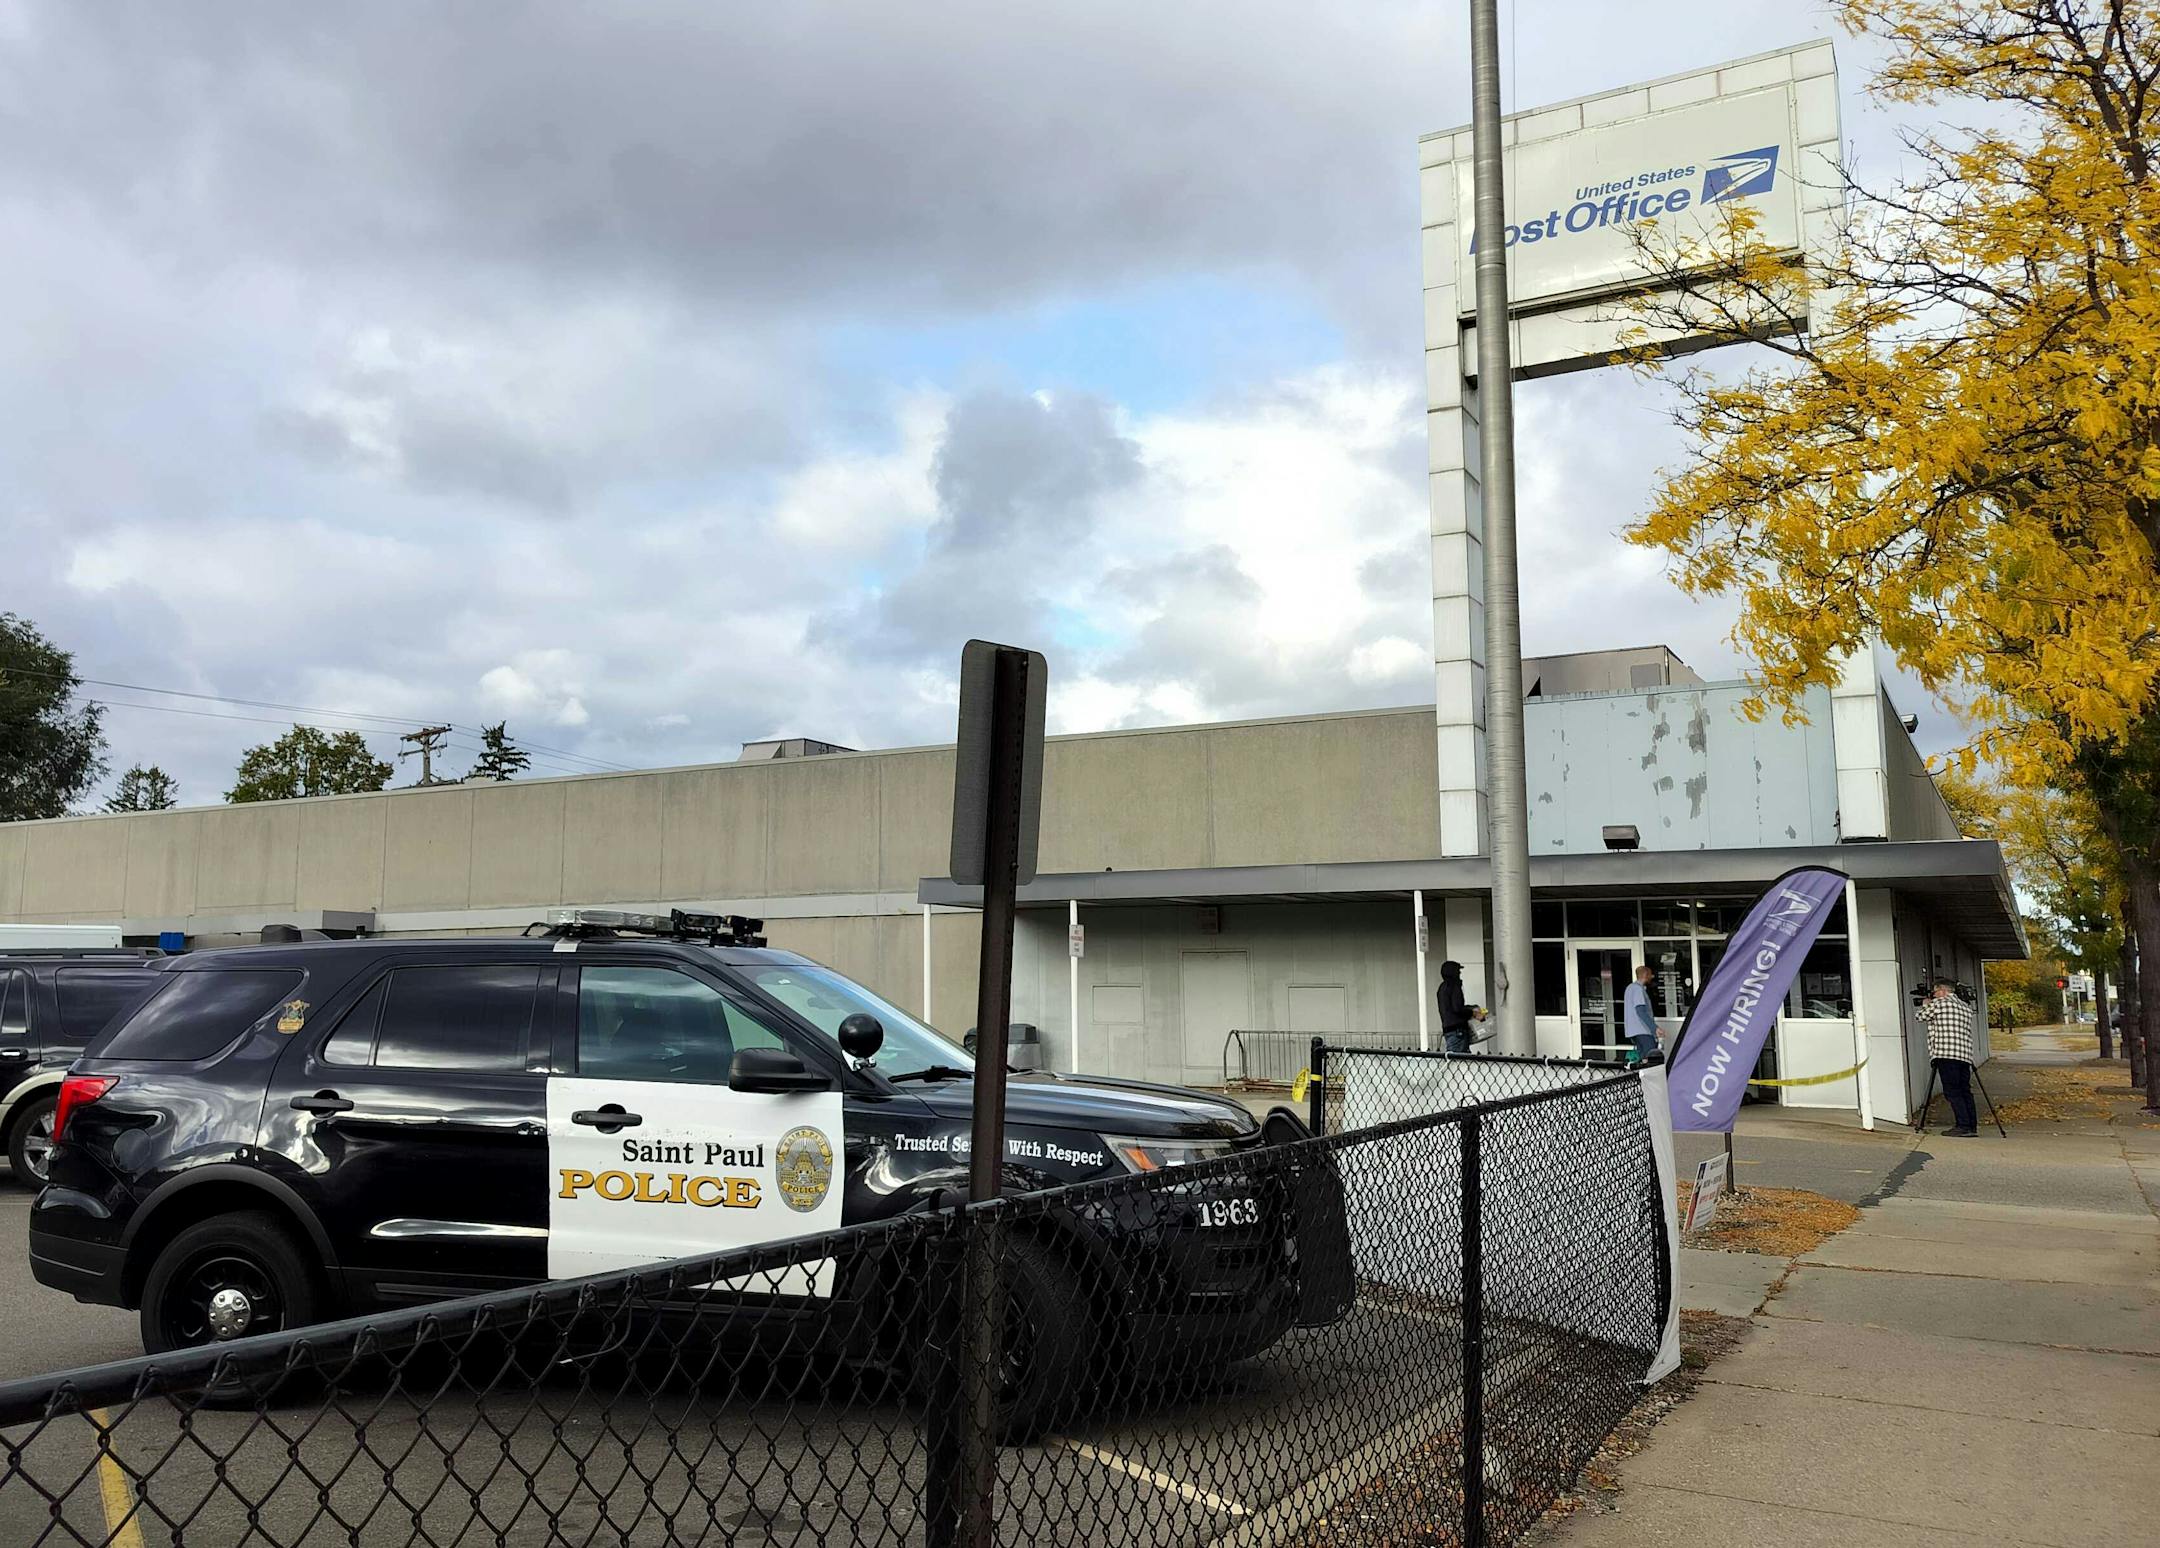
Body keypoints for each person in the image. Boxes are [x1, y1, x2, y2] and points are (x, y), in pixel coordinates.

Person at [1920, 977, 1979, 1136]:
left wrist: (1926, 1004)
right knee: (1964, 1090)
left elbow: (1921, 1017)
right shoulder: (1965, 1006)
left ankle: (1963, 1125)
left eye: (1935, 992)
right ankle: (1971, 1125)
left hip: (1945, 1053)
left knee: (1952, 1091)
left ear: (1943, 991)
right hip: (1964, 1055)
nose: (1934, 995)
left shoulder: (1940, 1003)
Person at [1436, 960, 1486, 1054]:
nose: (1459, 973)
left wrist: (1470, 1008)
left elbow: (1451, 1008)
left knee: (1456, 1059)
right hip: (1458, 1031)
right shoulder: (1455, 986)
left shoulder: (1442, 988)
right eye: (1458, 970)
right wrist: (1473, 1013)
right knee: (1460, 1061)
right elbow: (1457, 1008)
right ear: (1453, 972)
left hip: (1448, 1029)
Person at [1622, 964, 1662, 1065]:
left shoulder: (1629, 988)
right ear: (1645, 975)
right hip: (1643, 1030)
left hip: (1633, 1031)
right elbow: (1641, 1011)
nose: (1652, 977)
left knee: (1643, 1059)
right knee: (1652, 1058)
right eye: (1650, 975)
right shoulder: (1638, 990)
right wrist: (1654, 1028)